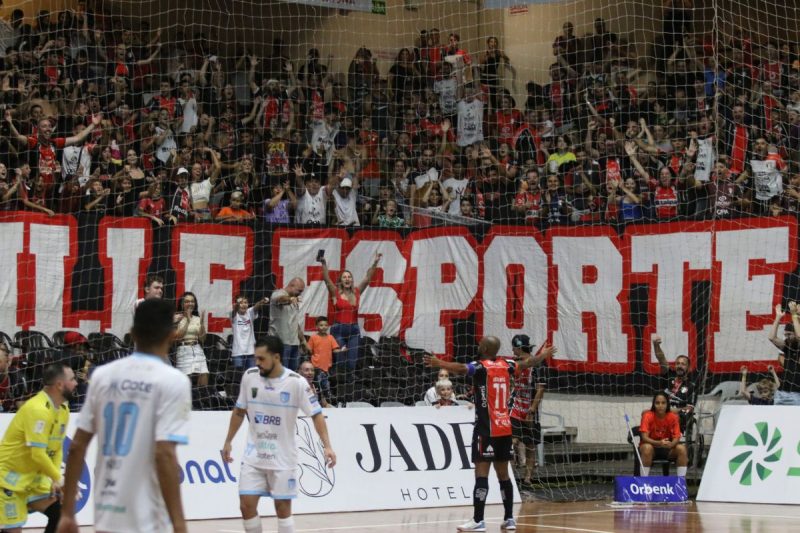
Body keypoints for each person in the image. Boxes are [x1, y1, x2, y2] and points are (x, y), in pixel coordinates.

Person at [57, 298, 192, 533]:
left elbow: (77, 447)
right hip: (148, 517)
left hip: (107, 510)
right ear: (172, 334)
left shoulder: (102, 375)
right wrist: (179, 523)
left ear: (132, 333)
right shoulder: (173, 380)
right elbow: (164, 454)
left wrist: (68, 513)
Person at [425, 336, 556, 531]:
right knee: (504, 476)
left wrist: (439, 363)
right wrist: (543, 355)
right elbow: (528, 362)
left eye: (480, 344)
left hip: (486, 428)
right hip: (505, 427)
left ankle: (478, 520)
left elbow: (461, 369)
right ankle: (510, 519)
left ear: (485, 348)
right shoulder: (507, 364)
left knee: (481, 476)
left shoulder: (480, 366)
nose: (478, 345)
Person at [222, 336, 336, 533]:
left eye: (261, 359)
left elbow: (316, 415)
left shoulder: (297, 383)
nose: (257, 363)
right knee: (246, 506)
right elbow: (239, 411)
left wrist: (327, 446)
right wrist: (228, 441)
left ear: (276, 357)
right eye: (256, 358)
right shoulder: (250, 376)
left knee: (282, 509)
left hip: (283, 458)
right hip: (254, 455)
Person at [0, 363, 75, 533]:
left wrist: (55, 479)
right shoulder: (38, 409)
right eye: (72, 379)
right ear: (60, 385)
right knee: (12, 530)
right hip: (9, 478)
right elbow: (38, 454)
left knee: (62, 515)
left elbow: (56, 449)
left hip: (33, 478)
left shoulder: (63, 409)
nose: (76, 383)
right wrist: (61, 479)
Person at [319, 253, 381, 385]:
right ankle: (339, 384)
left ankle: (350, 386)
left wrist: (375, 263)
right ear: (341, 281)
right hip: (338, 329)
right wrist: (323, 263)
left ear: (351, 280)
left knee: (352, 361)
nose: (347, 279)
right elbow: (326, 279)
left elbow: (368, 278)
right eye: (344, 277)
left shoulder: (357, 292)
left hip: (353, 330)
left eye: (349, 277)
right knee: (340, 359)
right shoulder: (335, 292)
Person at [509, 334, 555, 487]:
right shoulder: (513, 363)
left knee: (530, 443)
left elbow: (541, 388)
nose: (512, 350)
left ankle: (528, 478)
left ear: (518, 347)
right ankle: (510, 474)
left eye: (514, 347)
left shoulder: (539, 365)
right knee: (512, 440)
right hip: (515, 406)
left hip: (530, 408)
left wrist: (532, 409)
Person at [639, 391, 688, 477]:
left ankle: (681, 482)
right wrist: (659, 443)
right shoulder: (647, 415)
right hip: (651, 447)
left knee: (682, 449)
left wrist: (671, 444)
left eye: (663, 403)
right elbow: (644, 437)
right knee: (647, 448)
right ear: (653, 404)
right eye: (657, 403)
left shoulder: (673, 417)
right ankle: (643, 482)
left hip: (667, 448)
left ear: (667, 404)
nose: (660, 405)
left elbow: (677, 437)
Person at [652, 334, 695, 429]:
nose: (680, 366)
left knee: (673, 418)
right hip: (661, 411)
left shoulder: (691, 385)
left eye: (683, 364)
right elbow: (661, 359)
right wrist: (656, 345)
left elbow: (689, 408)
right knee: (645, 413)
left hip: (678, 416)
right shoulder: (668, 375)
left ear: (688, 367)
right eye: (678, 363)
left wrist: (672, 411)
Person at [301, 316, 342, 404]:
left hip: (327, 368)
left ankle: (328, 404)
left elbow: (335, 349)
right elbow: (309, 350)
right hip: (316, 367)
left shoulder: (330, 337)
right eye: (321, 325)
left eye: (325, 325)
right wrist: (303, 343)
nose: (323, 327)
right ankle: (317, 403)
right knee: (317, 388)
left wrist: (342, 350)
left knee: (326, 387)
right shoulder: (313, 338)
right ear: (317, 327)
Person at [268, 278, 306, 371]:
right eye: (299, 291)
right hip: (280, 343)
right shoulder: (278, 293)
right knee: (280, 374)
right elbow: (280, 299)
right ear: (292, 286)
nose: (300, 293)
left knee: (292, 375)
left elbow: (294, 323)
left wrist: (303, 341)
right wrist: (289, 299)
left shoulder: (295, 300)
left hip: (294, 344)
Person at [174, 291, 209, 388]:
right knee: (185, 384)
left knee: (204, 377)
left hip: (197, 349)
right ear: (182, 304)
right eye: (187, 301)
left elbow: (203, 339)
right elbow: (178, 337)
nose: (190, 304)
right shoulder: (177, 318)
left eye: (192, 301)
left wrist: (202, 325)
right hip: (184, 350)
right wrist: (188, 320)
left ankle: (201, 401)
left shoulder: (197, 318)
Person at [768, 302, 800, 404]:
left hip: (797, 395)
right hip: (782, 393)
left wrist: (794, 314)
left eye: (789, 335)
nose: (787, 337)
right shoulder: (788, 347)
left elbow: (799, 336)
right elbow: (771, 337)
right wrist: (778, 317)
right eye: (785, 335)